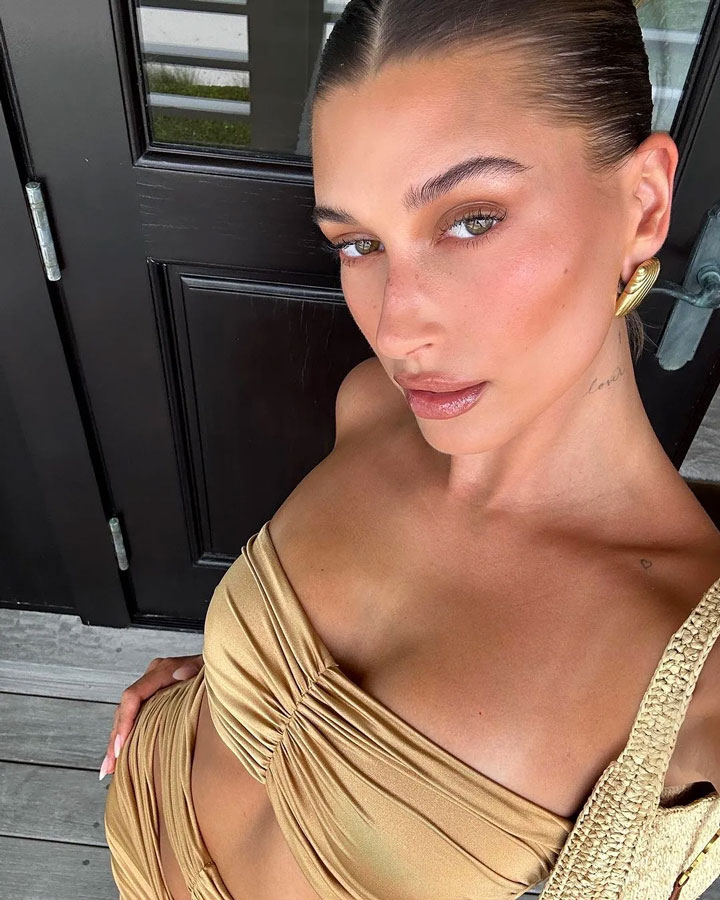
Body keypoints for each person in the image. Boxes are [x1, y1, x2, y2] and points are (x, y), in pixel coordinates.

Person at [101, 1, 720, 898]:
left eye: (472, 220)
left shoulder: (697, 663)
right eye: (358, 243)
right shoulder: (373, 407)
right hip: (145, 818)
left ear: (644, 204)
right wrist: (226, 682)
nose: (395, 329)